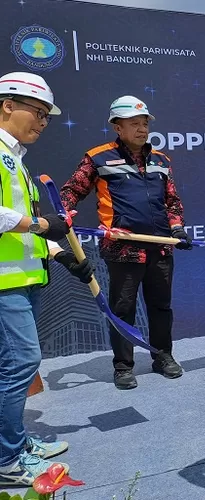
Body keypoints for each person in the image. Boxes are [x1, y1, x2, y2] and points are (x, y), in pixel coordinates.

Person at [59, 95, 191, 390]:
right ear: (117, 127)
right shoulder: (98, 158)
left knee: (161, 306)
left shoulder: (161, 160)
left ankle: (162, 356)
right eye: (135, 123)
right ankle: (123, 366)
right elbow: (71, 190)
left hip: (160, 246)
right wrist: (64, 211)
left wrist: (178, 229)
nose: (142, 129)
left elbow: (172, 202)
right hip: (122, 248)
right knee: (122, 309)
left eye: (145, 123)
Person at [0, 72, 93, 486]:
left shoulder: (14, 158)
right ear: (7, 105)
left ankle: (15, 444)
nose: (42, 122)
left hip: (22, 277)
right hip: (4, 284)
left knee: (15, 365)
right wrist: (41, 225)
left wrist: (60, 254)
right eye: (37, 112)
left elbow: (23, 230)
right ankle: (7, 460)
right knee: (19, 364)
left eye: (46, 117)